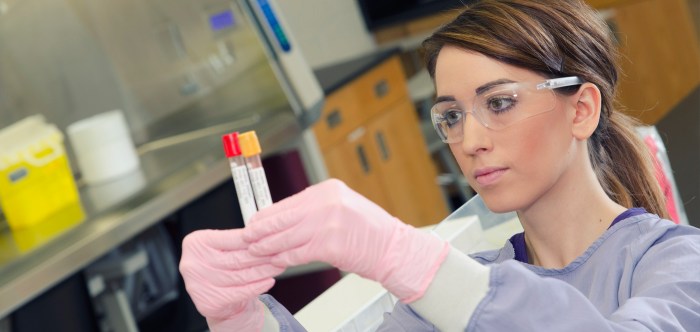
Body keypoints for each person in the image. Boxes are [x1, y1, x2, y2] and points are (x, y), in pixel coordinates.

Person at [178, 0, 700, 330]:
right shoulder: (458, 292)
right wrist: (239, 319)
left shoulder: (677, 264)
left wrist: (404, 255)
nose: (469, 140)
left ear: (581, 109)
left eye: (499, 103)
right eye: (450, 115)